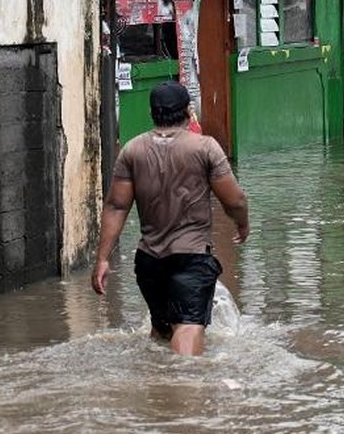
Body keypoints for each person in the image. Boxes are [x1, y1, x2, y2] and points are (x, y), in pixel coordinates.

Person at [91, 81, 249, 357]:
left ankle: (154, 381)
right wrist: (242, 223)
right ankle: (180, 382)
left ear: (152, 113)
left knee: (163, 331)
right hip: (191, 259)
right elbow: (235, 200)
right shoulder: (205, 148)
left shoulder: (132, 150)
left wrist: (102, 259)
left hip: (149, 263)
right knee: (187, 327)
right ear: (188, 111)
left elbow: (116, 206)